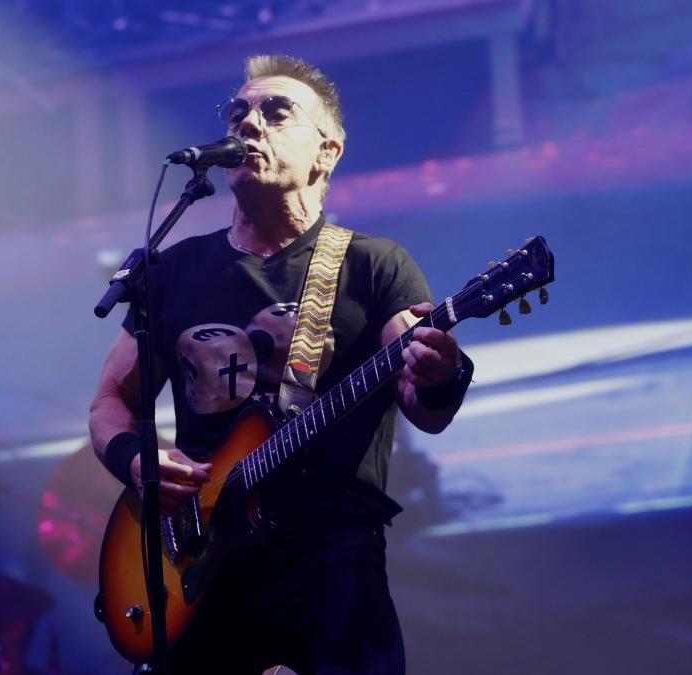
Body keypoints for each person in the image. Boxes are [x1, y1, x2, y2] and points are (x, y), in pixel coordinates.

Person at [90, 54, 473, 675]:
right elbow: (111, 401)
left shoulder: (373, 265)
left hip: (327, 563)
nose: (249, 123)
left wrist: (439, 373)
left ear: (327, 153)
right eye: (238, 111)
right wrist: (136, 460)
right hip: (198, 566)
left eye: (276, 111)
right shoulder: (173, 269)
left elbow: (423, 403)